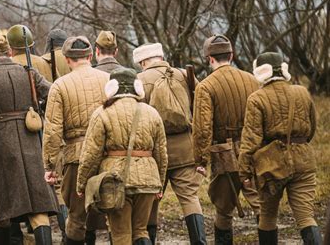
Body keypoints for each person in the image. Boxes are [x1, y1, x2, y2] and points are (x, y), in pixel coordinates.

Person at [0, 34, 58, 245]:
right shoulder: (28, 73)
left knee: (2, 207)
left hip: (0, 145)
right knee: (38, 204)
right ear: (9, 52)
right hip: (32, 141)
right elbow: (53, 92)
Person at [77, 67, 168, 244]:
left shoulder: (102, 113)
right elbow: (162, 153)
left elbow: (91, 154)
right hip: (149, 181)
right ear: (136, 87)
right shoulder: (152, 113)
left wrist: (82, 183)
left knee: (120, 234)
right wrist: (160, 185)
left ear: (111, 88)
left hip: (116, 180)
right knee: (141, 231)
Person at [238, 52, 322, 244]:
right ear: (282, 70)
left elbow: (251, 140)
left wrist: (243, 173)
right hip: (304, 160)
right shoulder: (302, 92)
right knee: (306, 216)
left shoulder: (256, 99)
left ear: (259, 72)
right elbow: (312, 128)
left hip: (271, 166)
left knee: (267, 216)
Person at [134, 43, 207, 244]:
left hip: (154, 153)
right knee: (190, 198)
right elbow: (201, 105)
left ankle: (148, 240)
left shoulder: (139, 80)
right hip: (185, 148)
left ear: (142, 61)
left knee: (150, 201)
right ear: (161, 56)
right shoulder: (184, 74)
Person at [192, 35, 260, 244]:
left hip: (224, 154)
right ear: (231, 55)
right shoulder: (253, 80)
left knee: (223, 209)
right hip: (254, 151)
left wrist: (201, 160)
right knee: (261, 205)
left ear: (209, 59)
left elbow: (202, 129)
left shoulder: (205, 86)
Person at [43, 36, 109, 245]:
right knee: (112, 212)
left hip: (75, 156)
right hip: (106, 154)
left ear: (67, 59)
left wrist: (50, 164)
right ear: (90, 56)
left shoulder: (59, 85)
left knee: (76, 216)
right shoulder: (108, 79)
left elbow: (53, 129)